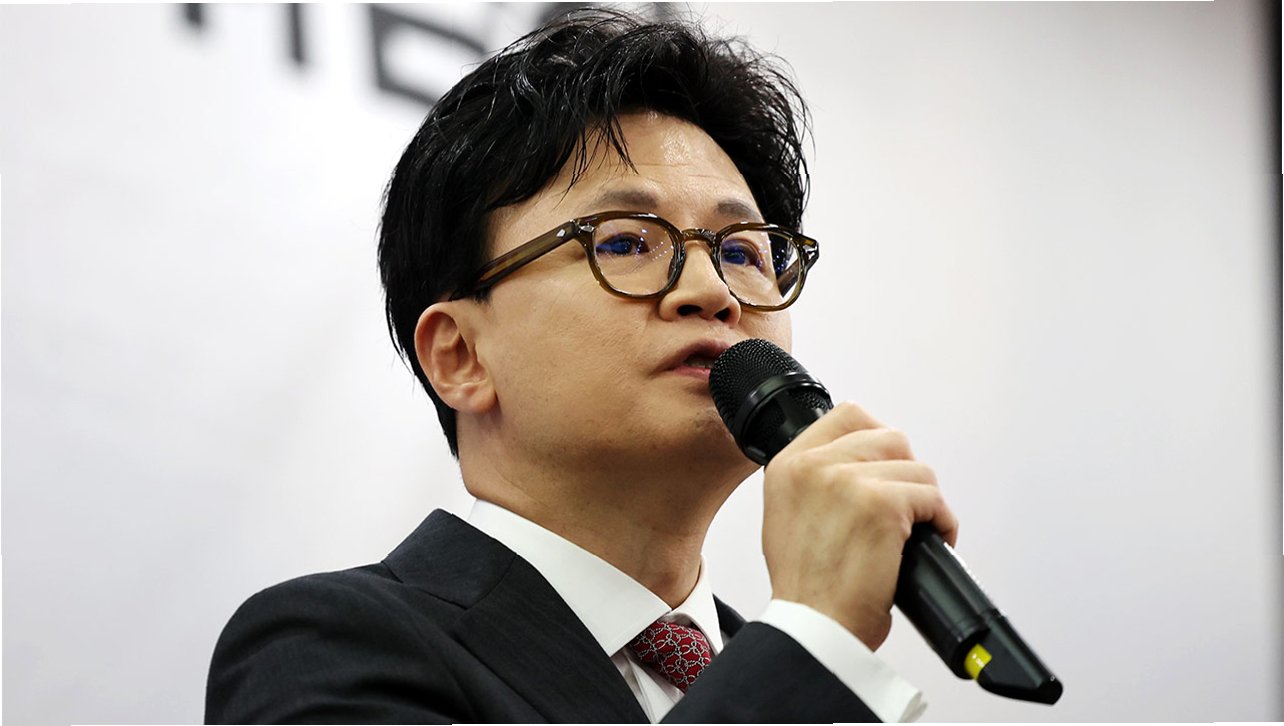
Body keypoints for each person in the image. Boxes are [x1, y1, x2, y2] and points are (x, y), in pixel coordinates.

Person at [205, 8, 958, 723]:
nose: (712, 292)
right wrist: (812, 637)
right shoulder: (328, 649)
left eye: (741, 252)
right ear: (461, 356)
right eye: (626, 242)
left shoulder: (788, 674)